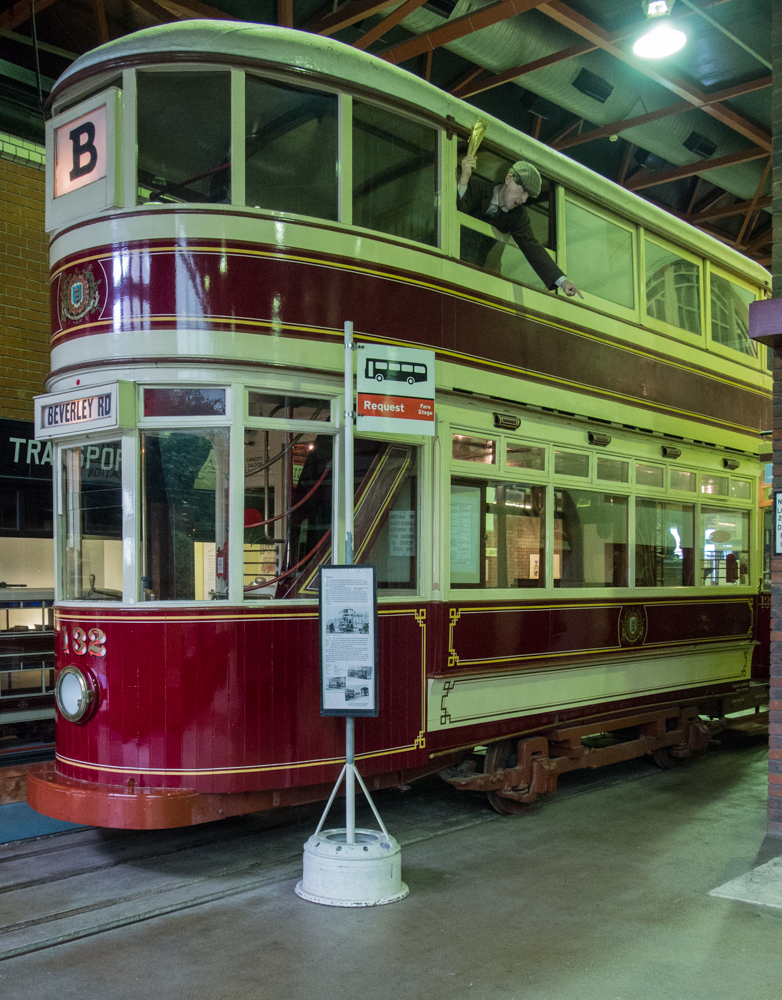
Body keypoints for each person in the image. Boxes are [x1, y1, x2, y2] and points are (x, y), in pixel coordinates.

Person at [457, 154, 583, 298]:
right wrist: (464, 179)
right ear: (508, 179)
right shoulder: (477, 188)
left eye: (528, 195)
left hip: (474, 272)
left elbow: (531, 246)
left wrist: (562, 282)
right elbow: (454, 211)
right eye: (523, 190)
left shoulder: (518, 215)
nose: (523, 199)